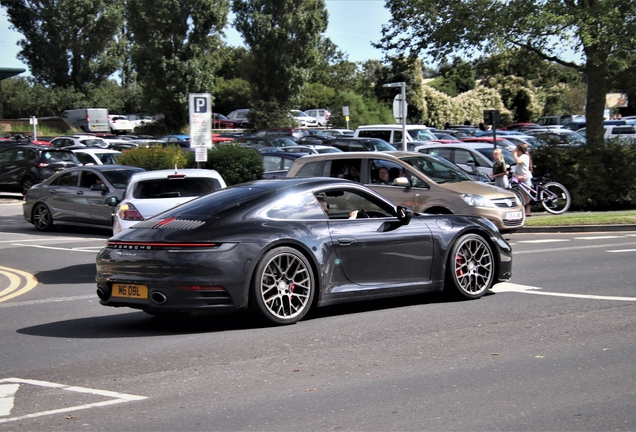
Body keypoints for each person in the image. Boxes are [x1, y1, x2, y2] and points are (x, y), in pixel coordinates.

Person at [512, 142, 533, 216]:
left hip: (525, 177)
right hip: (520, 178)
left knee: (526, 195)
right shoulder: (521, 156)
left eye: (516, 149)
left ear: (519, 150)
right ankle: (524, 210)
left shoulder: (524, 156)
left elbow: (517, 161)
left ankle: (528, 211)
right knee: (522, 195)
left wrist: (514, 154)